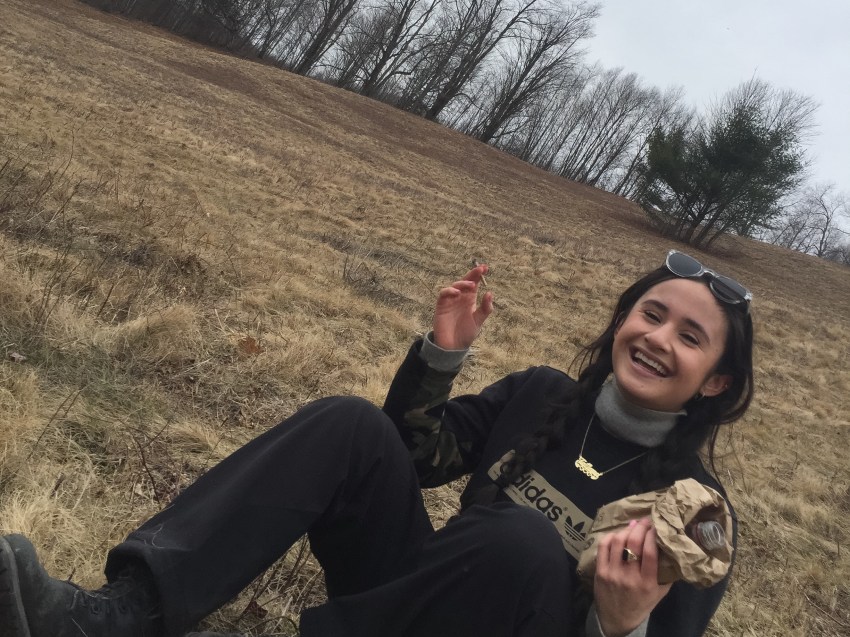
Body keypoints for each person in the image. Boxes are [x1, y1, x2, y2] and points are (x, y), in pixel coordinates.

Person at [0, 249, 754, 637]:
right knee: (350, 424)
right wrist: (442, 357)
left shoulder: (697, 518)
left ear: (716, 381)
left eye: (690, 337)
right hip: (412, 602)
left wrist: (620, 626)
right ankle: (120, 618)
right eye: (650, 314)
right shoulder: (543, 395)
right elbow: (413, 456)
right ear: (622, 321)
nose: (658, 338)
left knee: (519, 541)